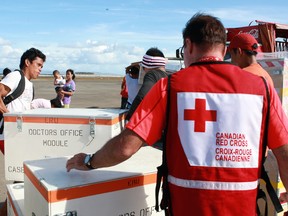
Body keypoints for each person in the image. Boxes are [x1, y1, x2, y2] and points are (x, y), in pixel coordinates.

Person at [66, 13, 288, 216]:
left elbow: (125, 146)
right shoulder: (263, 88)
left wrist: (88, 161)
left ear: (189, 46)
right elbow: (284, 152)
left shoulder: (170, 87)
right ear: (223, 49)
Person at [0, 47, 46, 215]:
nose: (41, 69)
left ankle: (8, 209)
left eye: (42, 66)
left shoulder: (30, 85)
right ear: (27, 62)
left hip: (20, 137)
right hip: (8, 135)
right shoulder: (15, 76)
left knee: (22, 175)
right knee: (23, 174)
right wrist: (8, 116)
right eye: (38, 65)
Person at [125, 47, 168, 120]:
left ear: (146, 66)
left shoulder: (152, 75)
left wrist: (130, 117)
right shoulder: (168, 77)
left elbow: (141, 96)